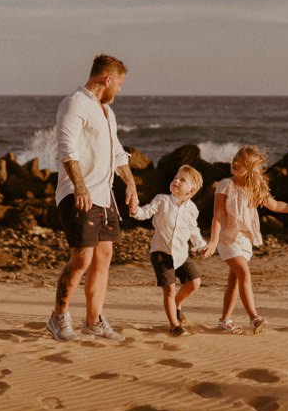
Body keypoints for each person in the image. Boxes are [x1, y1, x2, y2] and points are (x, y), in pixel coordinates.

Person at [48, 54, 138, 343]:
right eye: (120, 84)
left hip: (105, 195)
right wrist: (81, 188)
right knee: (82, 258)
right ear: (107, 80)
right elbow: (66, 148)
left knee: (104, 257)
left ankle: (94, 321)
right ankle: (58, 317)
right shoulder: (74, 103)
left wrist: (131, 183)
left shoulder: (106, 112)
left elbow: (116, 151)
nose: (121, 90)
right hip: (78, 194)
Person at [202, 145, 288, 334]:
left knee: (234, 280)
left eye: (240, 162)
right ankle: (254, 318)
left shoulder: (254, 187)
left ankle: (225, 319)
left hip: (244, 240)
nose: (234, 163)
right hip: (227, 238)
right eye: (234, 159)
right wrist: (213, 241)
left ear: (250, 168)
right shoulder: (226, 184)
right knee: (244, 273)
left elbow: (276, 205)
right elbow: (217, 215)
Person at [129, 165, 207, 336]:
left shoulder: (192, 210)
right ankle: (174, 325)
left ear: (191, 190)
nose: (176, 181)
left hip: (181, 254)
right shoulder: (162, 200)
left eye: (182, 180)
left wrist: (201, 246)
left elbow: (194, 230)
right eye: (175, 178)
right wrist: (135, 209)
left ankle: (177, 305)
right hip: (161, 253)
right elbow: (145, 213)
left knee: (195, 282)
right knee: (169, 290)